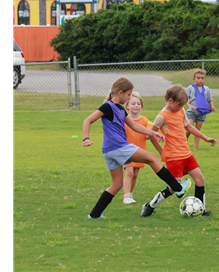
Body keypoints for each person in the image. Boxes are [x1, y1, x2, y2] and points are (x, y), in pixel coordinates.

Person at [81, 77, 191, 219]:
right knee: (152, 158)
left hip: (109, 151)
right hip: (118, 147)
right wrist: (86, 138)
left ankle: (94, 214)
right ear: (120, 92)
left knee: (117, 184)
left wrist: (153, 133)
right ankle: (177, 188)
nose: (128, 98)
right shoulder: (107, 106)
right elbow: (87, 120)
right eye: (128, 95)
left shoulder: (121, 109)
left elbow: (134, 126)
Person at [142, 85, 217, 218]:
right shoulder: (161, 116)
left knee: (200, 179)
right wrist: (160, 151)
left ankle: (201, 210)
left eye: (182, 105)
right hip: (174, 158)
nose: (181, 107)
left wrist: (206, 138)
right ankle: (150, 206)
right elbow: (150, 135)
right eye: (179, 105)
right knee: (174, 188)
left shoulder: (181, 111)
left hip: (187, 154)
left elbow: (189, 127)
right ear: (170, 100)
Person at [122, 92, 149, 205]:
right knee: (129, 172)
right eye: (133, 104)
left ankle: (130, 194)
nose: (136, 106)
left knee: (135, 174)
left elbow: (148, 133)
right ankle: (126, 196)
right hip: (127, 151)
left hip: (139, 151)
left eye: (138, 104)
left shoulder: (144, 120)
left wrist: (151, 135)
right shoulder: (124, 120)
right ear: (127, 106)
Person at [186, 69, 216, 151]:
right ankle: (183, 141)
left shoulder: (206, 89)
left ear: (205, 79)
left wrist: (212, 106)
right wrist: (190, 105)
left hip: (201, 112)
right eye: (198, 78)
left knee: (197, 130)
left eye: (202, 78)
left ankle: (195, 148)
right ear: (194, 79)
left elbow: (209, 100)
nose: (200, 80)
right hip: (191, 112)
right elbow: (185, 99)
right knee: (190, 128)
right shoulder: (190, 88)